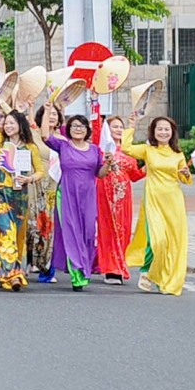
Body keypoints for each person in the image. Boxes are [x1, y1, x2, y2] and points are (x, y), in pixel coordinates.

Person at [40, 114, 112, 291]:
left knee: (88, 232)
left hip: (87, 195)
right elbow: (44, 136)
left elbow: (100, 173)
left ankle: (84, 267)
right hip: (66, 194)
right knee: (71, 232)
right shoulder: (63, 145)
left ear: (87, 129)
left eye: (81, 126)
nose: (78, 129)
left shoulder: (95, 150)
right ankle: (77, 275)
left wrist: (108, 164)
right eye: (74, 126)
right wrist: (47, 111)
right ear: (69, 130)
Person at [123, 115, 191, 295]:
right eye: (159, 129)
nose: (163, 132)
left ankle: (165, 281)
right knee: (157, 239)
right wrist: (131, 126)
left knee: (172, 243)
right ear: (153, 132)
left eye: (166, 129)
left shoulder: (177, 153)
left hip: (174, 201)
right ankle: (147, 271)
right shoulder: (147, 150)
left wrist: (185, 173)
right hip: (153, 200)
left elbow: (185, 178)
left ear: (172, 132)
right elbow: (126, 148)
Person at [0, 106, 43, 291]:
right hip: (1, 194)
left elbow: (40, 171)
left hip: (20, 195)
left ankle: (7, 273)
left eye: (12, 122)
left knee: (17, 235)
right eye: (6, 123)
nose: (8, 126)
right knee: (5, 232)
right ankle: (13, 275)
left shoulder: (30, 147)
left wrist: (30, 178)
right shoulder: (0, 142)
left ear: (20, 124)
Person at [94, 116, 145, 285]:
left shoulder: (128, 151)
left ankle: (120, 266)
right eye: (114, 126)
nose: (118, 129)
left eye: (120, 127)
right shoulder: (102, 149)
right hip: (105, 193)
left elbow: (135, 176)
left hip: (124, 197)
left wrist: (149, 166)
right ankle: (110, 269)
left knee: (123, 230)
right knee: (108, 230)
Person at [29, 103, 62, 282]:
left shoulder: (63, 139)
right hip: (36, 185)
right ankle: (31, 259)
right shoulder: (34, 135)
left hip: (53, 186)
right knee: (34, 225)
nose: (52, 117)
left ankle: (46, 266)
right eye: (48, 113)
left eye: (55, 114)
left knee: (49, 227)